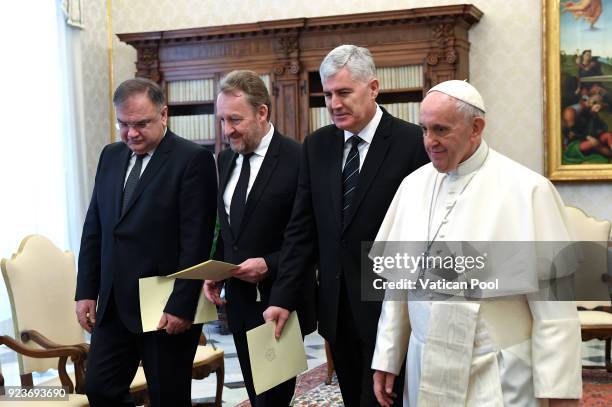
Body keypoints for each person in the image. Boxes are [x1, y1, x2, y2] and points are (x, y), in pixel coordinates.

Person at [370, 80, 582, 407]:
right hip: (424, 362)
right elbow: (398, 287)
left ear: (476, 128)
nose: (430, 142)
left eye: (441, 130)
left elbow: (555, 308)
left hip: (497, 368)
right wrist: (387, 356)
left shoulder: (527, 191)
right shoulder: (412, 187)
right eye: (424, 130)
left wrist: (559, 389)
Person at [263, 44, 429, 406]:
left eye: (344, 92)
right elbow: (301, 230)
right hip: (336, 310)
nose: (334, 103)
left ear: (372, 88)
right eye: (327, 94)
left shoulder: (412, 143)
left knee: (387, 400)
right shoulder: (317, 145)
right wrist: (283, 297)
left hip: (390, 307)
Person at [75, 78, 217, 407]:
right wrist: (85, 290)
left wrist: (182, 304)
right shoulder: (110, 156)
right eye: (123, 124)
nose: (131, 134)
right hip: (113, 306)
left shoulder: (192, 160)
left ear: (164, 114)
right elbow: (94, 227)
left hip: (163, 307)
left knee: (169, 397)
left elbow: (196, 242)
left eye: (141, 124)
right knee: (99, 389)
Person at [203, 70, 316, 406]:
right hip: (238, 304)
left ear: (263, 112)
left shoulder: (298, 159)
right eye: (222, 120)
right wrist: (216, 271)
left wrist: (269, 264)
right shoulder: (224, 160)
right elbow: (229, 229)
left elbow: (309, 237)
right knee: (256, 396)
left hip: (280, 301)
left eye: (235, 119)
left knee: (273, 400)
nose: (227, 130)